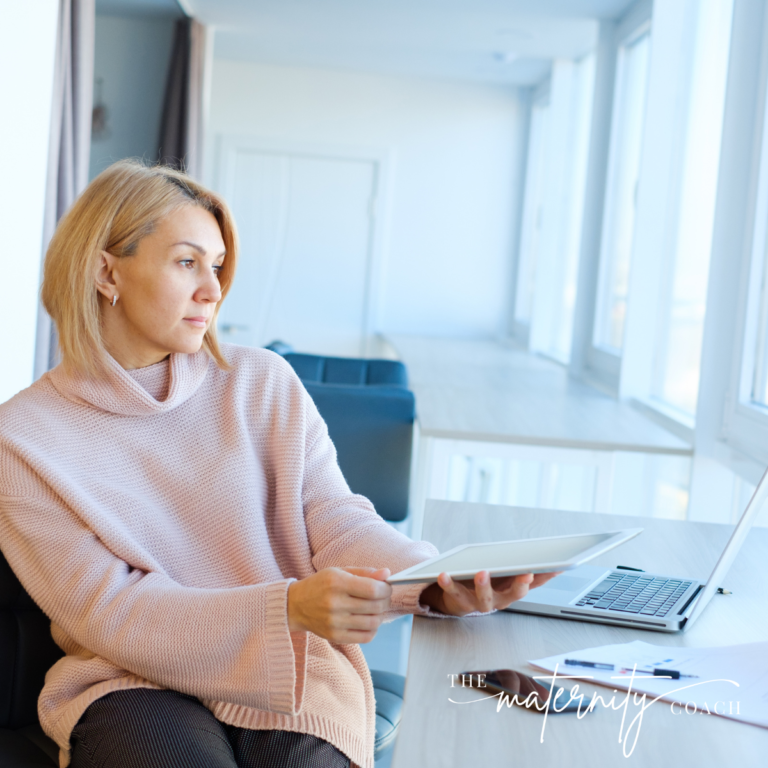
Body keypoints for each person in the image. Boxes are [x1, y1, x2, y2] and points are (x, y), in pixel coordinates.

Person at [0, 161, 557, 768]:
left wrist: (437, 583)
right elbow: (112, 612)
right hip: (132, 677)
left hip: (293, 664)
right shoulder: (22, 439)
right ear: (107, 271)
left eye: (216, 266)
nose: (213, 289)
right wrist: (287, 606)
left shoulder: (261, 381)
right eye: (187, 262)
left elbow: (337, 522)